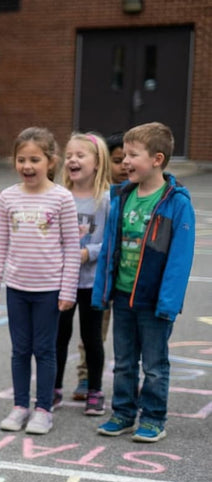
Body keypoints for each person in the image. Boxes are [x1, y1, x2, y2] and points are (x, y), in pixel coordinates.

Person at [92, 121, 195, 443]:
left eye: (133, 155)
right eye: (124, 155)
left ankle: (153, 418)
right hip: (123, 296)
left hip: (154, 301)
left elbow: (180, 259)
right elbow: (109, 247)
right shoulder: (122, 197)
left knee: (154, 365)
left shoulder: (175, 202)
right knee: (123, 361)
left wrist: (168, 302)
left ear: (157, 159)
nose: (124, 162)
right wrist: (102, 291)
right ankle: (123, 412)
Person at [0, 127, 80, 435]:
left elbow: (70, 247)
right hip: (17, 289)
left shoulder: (62, 198)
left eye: (35, 160)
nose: (28, 166)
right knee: (20, 350)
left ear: (51, 162)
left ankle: (44, 409)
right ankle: (20, 406)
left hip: (49, 290)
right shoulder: (8, 197)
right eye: (21, 159)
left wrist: (68, 290)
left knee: (45, 350)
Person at [55, 132, 110, 416]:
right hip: (61, 281)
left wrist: (88, 252)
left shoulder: (106, 200)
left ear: (98, 162)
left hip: (91, 282)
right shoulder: (59, 197)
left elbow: (111, 241)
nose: (72, 160)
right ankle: (52, 389)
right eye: (69, 156)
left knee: (92, 339)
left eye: (80, 155)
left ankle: (95, 390)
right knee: (58, 337)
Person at [71, 132, 125, 400]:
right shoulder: (93, 195)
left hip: (119, 274)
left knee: (124, 334)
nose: (124, 166)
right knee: (93, 333)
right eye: (118, 160)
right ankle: (85, 377)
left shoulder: (111, 198)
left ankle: (127, 379)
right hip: (90, 278)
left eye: (129, 159)